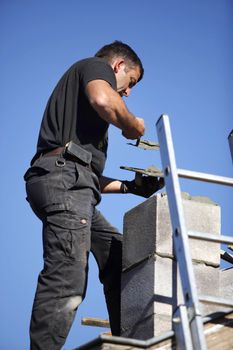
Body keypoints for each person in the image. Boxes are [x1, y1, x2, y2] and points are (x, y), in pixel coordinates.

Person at [24, 41, 164, 350]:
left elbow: (86, 178)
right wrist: (132, 124)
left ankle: (130, 341)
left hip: (70, 183)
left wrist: (131, 186)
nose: (128, 92)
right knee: (68, 277)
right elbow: (104, 99)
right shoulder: (95, 67)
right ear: (117, 67)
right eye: (132, 81)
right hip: (64, 182)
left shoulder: (79, 135)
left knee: (118, 257)